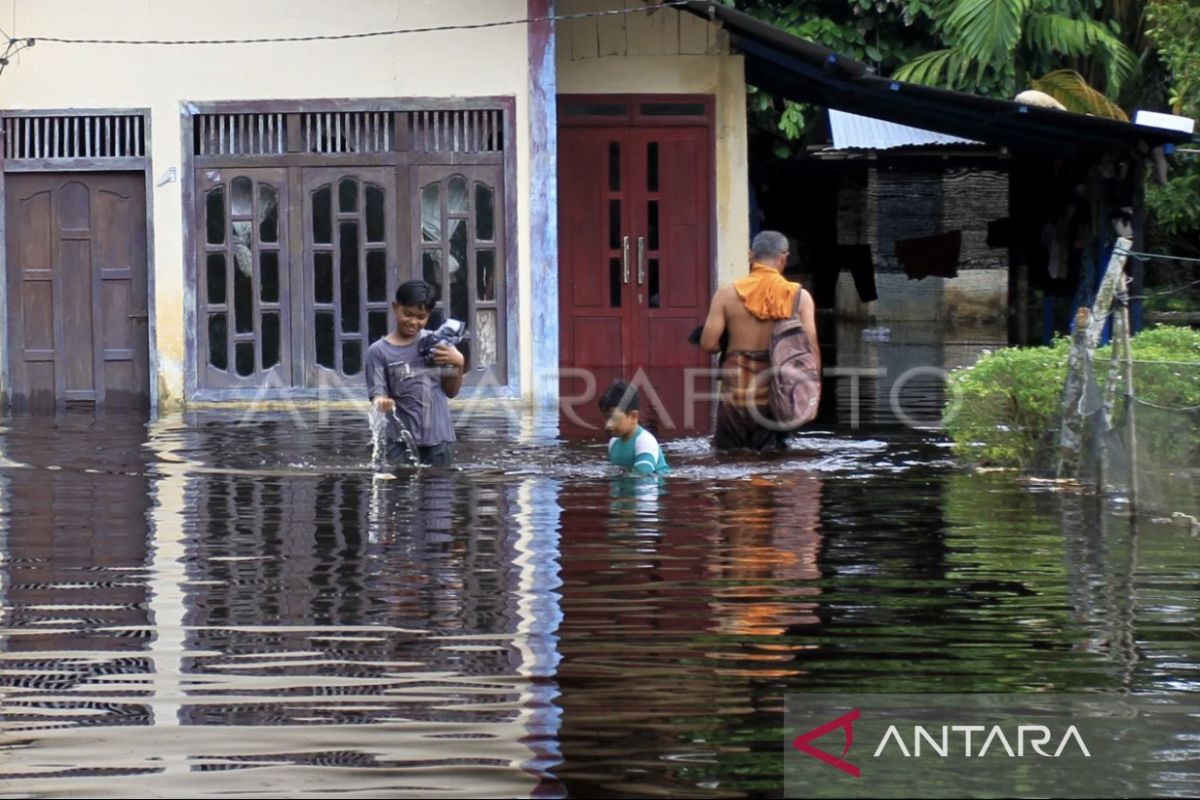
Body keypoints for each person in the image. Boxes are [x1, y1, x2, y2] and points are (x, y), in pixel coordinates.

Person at [699, 230, 819, 452]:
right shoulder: (800, 298)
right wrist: (811, 392)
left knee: (729, 459)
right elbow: (809, 351)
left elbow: (708, 344)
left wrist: (729, 343)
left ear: (750, 256)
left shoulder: (726, 295)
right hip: (775, 394)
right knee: (772, 464)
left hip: (735, 392)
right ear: (784, 258)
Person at [366, 280, 465, 467]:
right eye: (408, 314)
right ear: (395, 308)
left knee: (439, 491)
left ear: (428, 315)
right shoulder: (378, 352)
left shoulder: (437, 345)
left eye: (421, 317)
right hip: (398, 444)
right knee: (398, 493)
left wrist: (459, 363)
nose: (413, 322)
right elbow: (378, 395)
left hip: (439, 440)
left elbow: (451, 392)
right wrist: (382, 402)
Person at [599, 380, 669, 475]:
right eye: (606, 418)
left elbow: (643, 477)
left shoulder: (645, 442)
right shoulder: (613, 444)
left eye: (614, 418)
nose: (608, 425)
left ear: (633, 416)